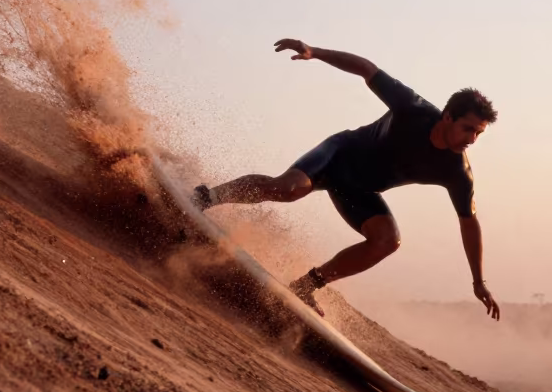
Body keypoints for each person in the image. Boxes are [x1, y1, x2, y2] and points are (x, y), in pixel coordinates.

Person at [192, 39, 501, 321]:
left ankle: (304, 286)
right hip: (338, 155)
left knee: (388, 241)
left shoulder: (457, 171)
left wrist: (478, 282)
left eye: (479, 134)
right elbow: (367, 69)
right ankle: (205, 197)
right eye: (468, 129)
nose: (472, 139)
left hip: (360, 189)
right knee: (286, 189)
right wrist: (315, 53)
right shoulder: (414, 109)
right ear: (448, 117)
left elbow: (469, 222)